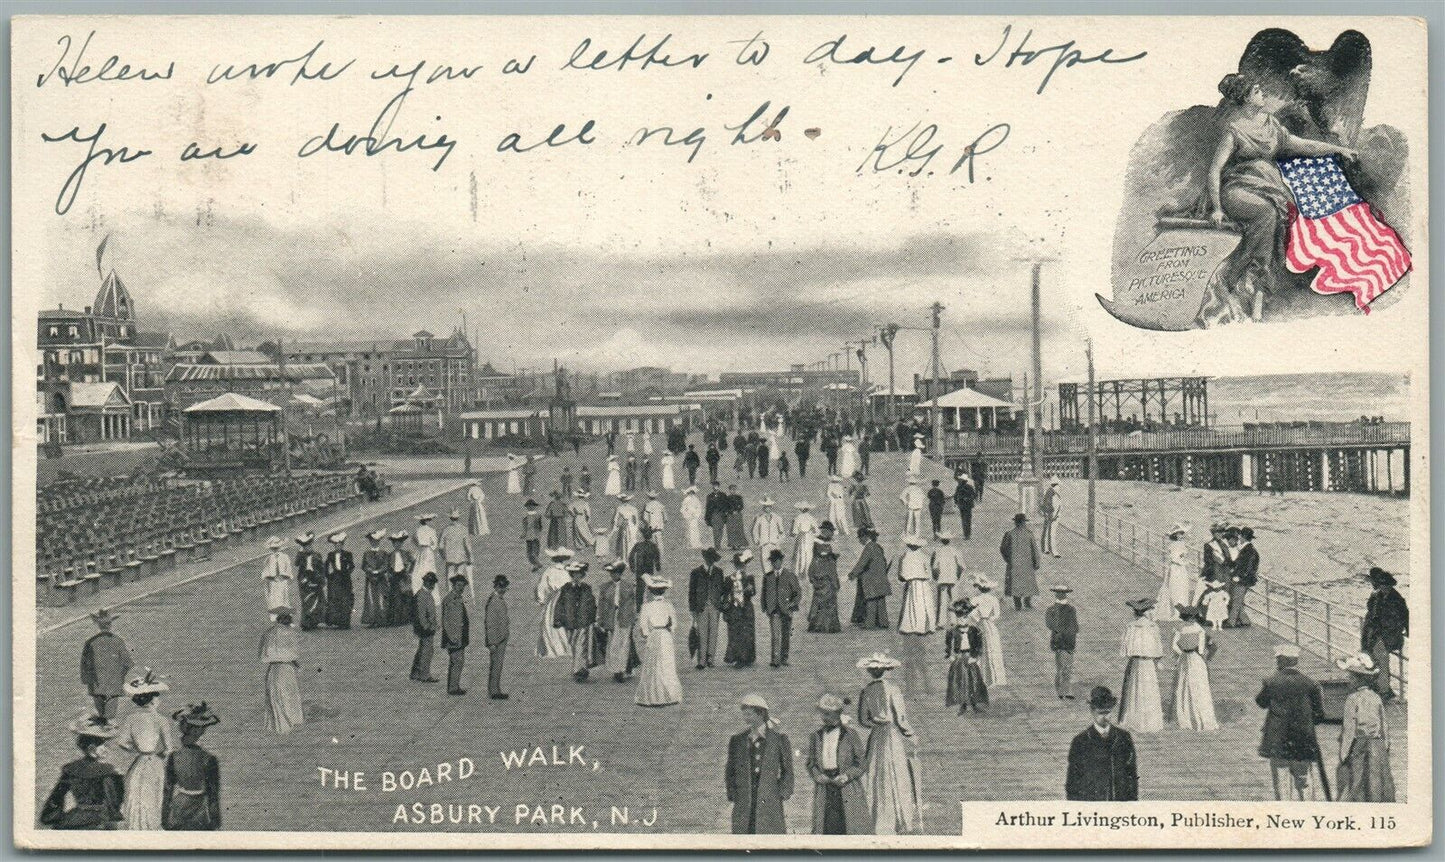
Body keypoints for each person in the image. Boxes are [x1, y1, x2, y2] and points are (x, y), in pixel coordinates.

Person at [1197, 72, 1359, 326]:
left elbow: (1302, 145)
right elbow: (1215, 169)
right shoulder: (1234, 130)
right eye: (1257, 90)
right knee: (1267, 214)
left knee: (1272, 223)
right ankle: (1235, 277)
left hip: (1270, 190)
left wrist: (1339, 149)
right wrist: (1216, 207)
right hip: (1238, 192)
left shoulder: (1270, 125)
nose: (1262, 93)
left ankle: (1251, 288)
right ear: (1245, 98)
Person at [856, 653, 923, 835]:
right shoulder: (893, 690)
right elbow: (901, 719)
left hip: (876, 737)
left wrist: (877, 724)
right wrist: (911, 734)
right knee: (896, 773)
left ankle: (877, 820)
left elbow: (863, 720)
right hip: (892, 735)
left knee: (876, 774)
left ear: (870, 672)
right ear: (887, 670)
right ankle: (899, 821)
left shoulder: (867, 691)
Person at [1256, 642, 1325, 800]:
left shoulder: (1271, 681)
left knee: (1281, 781)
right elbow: (1319, 714)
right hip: (1303, 739)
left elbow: (1261, 702)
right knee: (1305, 779)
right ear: (1296, 661)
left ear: (1280, 661)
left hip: (1277, 739)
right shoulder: (1311, 683)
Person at [115, 670, 178, 829]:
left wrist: (137, 751)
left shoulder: (130, 719)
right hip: (154, 763)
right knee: (153, 797)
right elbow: (168, 748)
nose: (158, 700)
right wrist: (158, 755)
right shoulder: (161, 720)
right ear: (152, 699)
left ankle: (138, 827)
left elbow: (122, 742)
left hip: (140, 762)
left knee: (137, 797)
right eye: (157, 696)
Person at [42, 711, 126, 829]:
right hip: (100, 820)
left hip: (76, 816)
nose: (107, 749)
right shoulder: (109, 771)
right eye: (104, 745)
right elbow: (114, 802)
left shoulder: (70, 769)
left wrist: (54, 816)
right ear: (92, 749)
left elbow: (56, 798)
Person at [725, 694, 794, 834]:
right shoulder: (737, 740)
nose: (745, 718)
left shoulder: (779, 739)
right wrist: (733, 792)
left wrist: (782, 793)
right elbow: (730, 770)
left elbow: (788, 770)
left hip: (770, 799)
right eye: (744, 714)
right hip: (744, 798)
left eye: (749, 714)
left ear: (761, 713)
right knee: (745, 833)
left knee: (769, 836)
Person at [1334, 652, 1395, 802]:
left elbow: (1349, 728)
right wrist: (1385, 745)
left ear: (1358, 679)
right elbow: (1383, 723)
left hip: (1360, 744)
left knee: (1358, 780)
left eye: (1351, 677)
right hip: (1377, 744)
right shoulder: (1376, 697)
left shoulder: (1352, 699)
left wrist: (1343, 753)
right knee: (1377, 779)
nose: (1348, 680)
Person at [806, 693, 868, 835]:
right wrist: (817, 775)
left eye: (827, 714)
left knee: (849, 827)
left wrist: (847, 776)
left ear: (838, 713)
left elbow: (861, 762)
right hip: (825, 787)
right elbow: (811, 763)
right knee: (826, 827)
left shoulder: (851, 734)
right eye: (822, 714)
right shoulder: (816, 736)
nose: (824, 718)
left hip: (846, 787)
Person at [1065, 687, 1139, 801]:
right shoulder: (1080, 741)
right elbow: (1073, 781)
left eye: (1108, 713)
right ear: (1092, 711)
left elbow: (1131, 775)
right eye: (1100, 713)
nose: (1105, 717)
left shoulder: (1124, 738)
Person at [162, 703, 221, 831]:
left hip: (178, 808)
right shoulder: (210, 759)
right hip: (200, 810)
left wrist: (164, 818)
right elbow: (213, 794)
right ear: (199, 731)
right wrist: (215, 820)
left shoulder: (174, 756)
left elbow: (167, 790)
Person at [1360, 567, 1408, 701]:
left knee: (1380, 656)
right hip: (1378, 633)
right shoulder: (1377, 596)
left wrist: (1408, 631)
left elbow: (1405, 617)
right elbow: (1371, 612)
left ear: (1390, 586)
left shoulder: (1397, 600)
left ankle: (1384, 690)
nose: (1383, 588)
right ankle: (1380, 686)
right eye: (1382, 585)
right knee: (1371, 654)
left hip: (1390, 635)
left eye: (1386, 586)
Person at [1118, 598, 1165, 733]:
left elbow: (1124, 650)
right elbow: (1158, 648)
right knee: (1149, 689)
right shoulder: (1153, 627)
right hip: (1149, 663)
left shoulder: (1131, 626)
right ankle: (1150, 722)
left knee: (1135, 688)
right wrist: (1157, 659)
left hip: (1136, 662)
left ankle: (1134, 720)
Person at [636, 574, 683, 706]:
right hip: (665, 635)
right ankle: (669, 694)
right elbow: (674, 624)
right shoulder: (668, 606)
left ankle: (654, 695)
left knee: (653, 664)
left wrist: (647, 634)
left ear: (650, 591)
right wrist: (669, 631)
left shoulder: (646, 607)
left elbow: (643, 626)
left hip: (654, 635)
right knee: (666, 664)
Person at [1171, 606, 1219, 731]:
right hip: (1195, 658)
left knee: (1184, 685)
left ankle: (1185, 717)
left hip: (1184, 658)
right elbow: (1202, 650)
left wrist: (1182, 653)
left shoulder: (1179, 629)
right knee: (1200, 687)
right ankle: (1202, 718)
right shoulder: (1199, 630)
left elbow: (1174, 646)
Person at [257, 609, 304, 734]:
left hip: (273, 669)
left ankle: (278, 725)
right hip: (286, 669)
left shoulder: (268, 633)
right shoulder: (290, 633)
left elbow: (262, 655)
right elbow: (293, 654)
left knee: (275, 695)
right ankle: (290, 722)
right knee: (288, 695)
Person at [81, 608, 132, 722]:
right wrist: (120, 677)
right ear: (110, 625)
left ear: (98, 625)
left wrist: (89, 681)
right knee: (110, 717)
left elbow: (85, 666)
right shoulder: (118, 641)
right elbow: (127, 663)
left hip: (96, 685)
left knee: (101, 715)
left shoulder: (90, 642)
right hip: (113, 685)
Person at [555, 561, 598, 682]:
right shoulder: (566, 589)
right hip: (569, 621)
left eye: (579, 574)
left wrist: (593, 617)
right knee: (573, 645)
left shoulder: (586, 588)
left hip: (583, 621)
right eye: (574, 574)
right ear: (571, 575)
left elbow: (591, 604)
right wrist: (558, 619)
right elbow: (560, 604)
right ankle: (579, 667)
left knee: (581, 645)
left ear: (582, 575)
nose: (577, 577)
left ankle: (580, 669)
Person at [945, 599, 989, 713]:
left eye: (964, 617)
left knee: (974, 680)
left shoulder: (975, 630)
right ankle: (962, 704)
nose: (962, 620)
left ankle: (974, 703)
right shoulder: (952, 631)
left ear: (968, 617)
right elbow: (948, 644)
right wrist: (950, 655)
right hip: (959, 657)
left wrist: (976, 656)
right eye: (959, 618)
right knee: (960, 681)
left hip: (970, 656)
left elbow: (979, 645)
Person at [687, 548, 727, 669]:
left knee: (713, 632)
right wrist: (692, 608)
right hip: (701, 606)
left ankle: (711, 658)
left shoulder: (719, 572)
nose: (711, 561)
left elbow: (722, 589)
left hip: (715, 606)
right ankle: (701, 660)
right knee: (702, 633)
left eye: (713, 560)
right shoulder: (696, 572)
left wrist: (720, 603)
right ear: (705, 559)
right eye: (709, 559)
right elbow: (691, 592)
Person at [761, 549, 801, 668]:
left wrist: (792, 604)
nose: (775, 564)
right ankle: (775, 659)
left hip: (786, 610)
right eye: (773, 561)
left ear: (781, 561)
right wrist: (765, 607)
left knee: (786, 635)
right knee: (775, 635)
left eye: (777, 561)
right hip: (774, 610)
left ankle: (784, 657)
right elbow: (764, 592)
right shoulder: (768, 577)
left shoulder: (790, 575)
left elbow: (797, 592)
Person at [598, 559, 636, 682]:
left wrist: (632, 618)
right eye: (612, 573)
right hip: (611, 617)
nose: (614, 575)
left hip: (624, 617)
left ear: (621, 574)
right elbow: (602, 605)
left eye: (617, 573)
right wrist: (601, 620)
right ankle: (616, 669)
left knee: (624, 643)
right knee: (613, 644)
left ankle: (622, 669)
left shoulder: (628, 587)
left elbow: (632, 604)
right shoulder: (605, 587)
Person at [848, 525, 891, 629]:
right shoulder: (878, 547)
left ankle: (870, 623)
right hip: (881, 579)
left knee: (871, 601)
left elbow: (861, 564)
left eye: (860, 538)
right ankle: (883, 622)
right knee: (881, 601)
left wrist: (852, 574)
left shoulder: (868, 548)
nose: (859, 541)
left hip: (872, 580)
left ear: (865, 537)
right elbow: (884, 562)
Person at [967, 575, 1007, 687]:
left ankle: (980, 677)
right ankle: (994, 678)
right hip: (990, 626)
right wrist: (989, 620)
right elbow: (996, 615)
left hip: (979, 625)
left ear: (979, 588)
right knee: (992, 648)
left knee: (978, 649)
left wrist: (978, 619)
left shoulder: (975, 599)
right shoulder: (993, 599)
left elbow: (970, 613)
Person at [535, 547, 574, 658]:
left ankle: (554, 649)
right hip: (565, 599)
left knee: (551, 622)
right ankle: (563, 648)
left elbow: (542, 586)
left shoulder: (550, 571)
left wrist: (541, 599)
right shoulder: (568, 571)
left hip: (556, 599)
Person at [723, 551, 758, 668]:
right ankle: (738, 657)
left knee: (747, 632)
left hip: (746, 607)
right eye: (739, 565)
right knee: (736, 632)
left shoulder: (749, 578)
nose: (741, 567)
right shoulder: (729, 579)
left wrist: (748, 589)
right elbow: (725, 594)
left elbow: (753, 593)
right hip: (735, 608)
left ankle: (747, 657)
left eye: (742, 565)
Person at [895, 534, 936, 635]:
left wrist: (904, 579)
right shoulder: (924, 556)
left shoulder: (905, 556)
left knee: (912, 604)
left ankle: (912, 626)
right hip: (924, 583)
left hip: (912, 583)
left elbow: (902, 574)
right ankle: (924, 626)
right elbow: (929, 572)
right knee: (925, 604)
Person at [1000, 513, 1040, 610]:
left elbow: (1003, 548)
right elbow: (1034, 550)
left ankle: (1017, 604)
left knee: (1015, 583)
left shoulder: (1009, 534)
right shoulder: (1029, 534)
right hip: (1027, 563)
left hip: (1014, 564)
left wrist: (1008, 559)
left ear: (1015, 523)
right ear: (1023, 523)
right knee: (1028, 583)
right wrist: (1036, 562)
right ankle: (1027, 602)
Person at [807, 524, 842, 634]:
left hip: (827, 574)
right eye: (831, 531)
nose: (832, 533)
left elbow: (834, 554)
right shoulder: (818, 542)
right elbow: (822, 554)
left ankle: (825, 626)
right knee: (824, 600)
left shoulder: (829, 541)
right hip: (823, 574)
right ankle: (823, 626)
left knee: (826, 600)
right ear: (826, 531)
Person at [1045, 585, 1079, 699]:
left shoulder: (1052, 609)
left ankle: (1064, 691)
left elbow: (1051, 625)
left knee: (1065, 667)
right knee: (1064, 668)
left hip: (1064, 641)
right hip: (1064, 641)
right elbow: (1075, 627)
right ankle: (1063, 692)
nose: (1061, 595)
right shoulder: (1069, 609)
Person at [441, 573, 471, 695]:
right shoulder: (450, 599)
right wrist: (452, 637)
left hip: (460, 636)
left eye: (463, 586)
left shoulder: (458, 598)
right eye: (459, 585)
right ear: (453, 585)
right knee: (456, 661)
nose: (461, 588)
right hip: (453, 637)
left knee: (459, 661)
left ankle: (455, 685)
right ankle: (453, 688)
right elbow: (446, 621)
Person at [1156, 524, 1192, 620]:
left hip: (1182, 569)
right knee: (1175, 588)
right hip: (1176, 568)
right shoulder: (1173, 545)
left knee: (1183, 588)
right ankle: (1175, 611)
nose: (1181, 535)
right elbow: (1173, 558)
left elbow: (1183, 556)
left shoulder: (1182, 544)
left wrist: (1184, 561)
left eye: (1181, 534)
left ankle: (1182, 611)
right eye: (1179, 534)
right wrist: (1182, 561)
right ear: (1175, 535)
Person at [484, 576, 511, 699]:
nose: (503, 589)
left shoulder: (498, 599)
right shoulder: (494, 601)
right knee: (496, 665)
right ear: (495, 586)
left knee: (498, 665)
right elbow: (489, 623)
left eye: (504, 587)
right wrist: (492, 642)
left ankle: (496, 689)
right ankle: (494, 691)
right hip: (496, 640)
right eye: (500, 587)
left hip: (501, 638)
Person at [410, 572, 440, 682]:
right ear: (426, 582)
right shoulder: (422, 595)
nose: (433, 585)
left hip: (427, 627)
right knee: (427, 651)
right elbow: (421, 614)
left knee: (422, 649)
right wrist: (428, 627)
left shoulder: (425, 593)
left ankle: (415, 672)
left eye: (433, 583)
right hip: (425, 628)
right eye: (431, 583)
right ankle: (424, 674)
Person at [930, 532, 963, 629]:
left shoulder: (938, 551)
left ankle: (941, 622)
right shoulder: (955, 551)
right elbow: (962, 566)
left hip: (942, 578)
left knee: (942, 601)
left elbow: (934, 566)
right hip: (953, 578)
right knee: (954, 600)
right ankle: (955, 621)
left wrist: (936, 576)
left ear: (941, 540)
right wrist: (958, 575)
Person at [1227, 526, 1258, 627]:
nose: (1239, 538)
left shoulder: (1249, 550)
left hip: (1243, 580)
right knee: (1238, 599)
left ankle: (1231, 622)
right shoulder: (1248, 549)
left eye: (1240, 536)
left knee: (1236, 600)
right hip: (1244, 579)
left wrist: (1238, 577)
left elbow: (1247, 568)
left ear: (1243, 537)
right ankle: (1245, 620)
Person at [260, 536, 297, 620]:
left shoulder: (285, 557)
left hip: (282, 580)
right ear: (271, 549)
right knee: (274, 597)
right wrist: (270, 578)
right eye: (273, 548)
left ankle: (285, 615)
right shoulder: (269, 559)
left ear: (280, 547)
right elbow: (266, 571)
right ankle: (275, 615)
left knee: (284, 597)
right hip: (273, 581)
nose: (275, 550)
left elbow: (288, 568)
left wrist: (286, 577)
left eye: (277, 548)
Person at [323, 532, 354, 629]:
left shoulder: (347, 554)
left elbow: (352, 566)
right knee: (335, 598)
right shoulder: (330, 555)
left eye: (339, 545)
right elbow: (326, 566)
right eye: (336, 545)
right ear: (334, 546)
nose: (338, 547)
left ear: (342, 545)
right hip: (335, 579)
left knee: (345, 599)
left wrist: (347, 573)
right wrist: (328, 576)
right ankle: (336, 620)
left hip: (344, 579)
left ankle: (345, 621)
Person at [294, 532, 325, 631]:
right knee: (306, 601)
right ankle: (306, 622)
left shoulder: (317, 555)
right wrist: (300, 550)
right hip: (304, 580)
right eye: (305, 547)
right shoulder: (302, 556)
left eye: (309, 546)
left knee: (317, 600)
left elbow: (321, 568)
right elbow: (296, 563)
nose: (308, 548)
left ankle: (314, 621)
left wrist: (321, 579)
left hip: (315, 578)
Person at [360, 530, 390, 627]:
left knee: (382, 598)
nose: (374, 543)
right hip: (370, 579)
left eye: (376, 541)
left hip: (381, 579)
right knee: (372, 599)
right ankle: (372, 620)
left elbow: (386, 565)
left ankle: (382, 619)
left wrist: (379, 571)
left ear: (379, 542)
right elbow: (364, 565)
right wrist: (370, 570)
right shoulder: (367, 553)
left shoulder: (383, 553)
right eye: (372, 541)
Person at [628, 525, 662, 610]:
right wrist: (658, 567)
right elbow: (657, 557)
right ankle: (650, 606)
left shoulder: (638, 545)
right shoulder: (653, 546)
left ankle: (639, 608)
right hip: (649, 569)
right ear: (651, 536)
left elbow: (631, 557)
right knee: (650, 587)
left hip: (640, 570)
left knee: (640, 589)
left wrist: (632, 567)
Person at [1198, 523, 1233, 604]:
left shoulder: (1224, 545)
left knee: (1225, 594)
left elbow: (1229, 558)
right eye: (1218, 532)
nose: (1220, 534)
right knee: (1213, 594)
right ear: (1213, 534)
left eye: (1221, 532)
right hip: (1215, 572)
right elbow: (1207, 560)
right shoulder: (1209, 545)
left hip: (1225, 573)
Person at [386, 531, 415, 627]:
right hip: (394, 577)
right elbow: (387, 567)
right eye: (395, 543)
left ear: (401, 544)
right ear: (393, 544)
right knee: (395, 598)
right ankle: (396, 619)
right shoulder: (390, 555)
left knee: (406, 597)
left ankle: (407, 618)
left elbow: (413, 562)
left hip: (404, 576)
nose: (397, 545)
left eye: (399, 543)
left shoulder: (406, 553)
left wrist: (409, 571)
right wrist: (389, 574)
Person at [751, 496, 786, 563]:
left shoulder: (777, 518)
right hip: (764, 544)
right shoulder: (759, 518)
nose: (767, 508)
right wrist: (757, 540)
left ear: (771, 507)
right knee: (765, 564)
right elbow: (754, 530)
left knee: (776, 564)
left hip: (775, 544)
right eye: (766, 506)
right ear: (763, 507)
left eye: (769, 506)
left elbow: (782, 531)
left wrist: (779, 540)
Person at [790, 500, 819, 578]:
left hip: (801, 537)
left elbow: (794, 532)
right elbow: (817, 531)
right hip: (809, 537)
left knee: (800, 554)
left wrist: (791, 532)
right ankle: (808, 573)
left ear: (801, 509)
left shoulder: (797, 518)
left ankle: (800, 572)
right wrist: (812, 533)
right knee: (809, 554)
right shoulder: (812, 518)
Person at [414, 514, 440, 596]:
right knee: (429, 569)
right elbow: (435, 544)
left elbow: (414, 540)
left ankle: (420, 591)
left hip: (421, 551)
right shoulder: (431, 530)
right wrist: (431, 547)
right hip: (428, 551)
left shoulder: (418, 530)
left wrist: (419, 546)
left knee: (420, 570)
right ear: (427, 521)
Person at [610, 493, 642, 561]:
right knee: (630, 541)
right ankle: (629, 558)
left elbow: (615, 519)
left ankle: (626, 558)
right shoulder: (632, 508)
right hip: (630, 526)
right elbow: (637, 521)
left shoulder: (620, 508)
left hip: (626, 525)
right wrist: (636, 528)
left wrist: (615, 527)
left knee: (624, 541)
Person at [642, 492, 667, 562]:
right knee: (660, 543)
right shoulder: (660, 505)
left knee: (652, 543)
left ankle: (652, 558)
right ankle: (661, 558)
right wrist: (661, 523)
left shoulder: (648, 505)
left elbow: (645, 518)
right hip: (659, 527)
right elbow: (665, 518)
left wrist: (647, 524)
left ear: (649, 497)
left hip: (651, 528)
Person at [1040, 478, 1062, 557]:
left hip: (1048, 515)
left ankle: (1045, 548)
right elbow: (1055, 507)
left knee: (1046, 532)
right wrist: (1054, 516)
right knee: (1052, 533)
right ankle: (1054, 551)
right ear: (1056, 486)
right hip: (1053, 516)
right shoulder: (1053, 494)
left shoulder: (1048, 492)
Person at [704, 482, 730, 550]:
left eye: (716, 486)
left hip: (721, 514)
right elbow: (707, 507)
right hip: (713, 515)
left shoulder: (723, 495)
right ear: (712, 487)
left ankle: (719, 544)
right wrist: (707, 517)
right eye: (714, 486)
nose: (715, 487)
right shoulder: (709, 496)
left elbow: (727, 505)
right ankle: (717, 545)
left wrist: (726, 512)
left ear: (718, 486)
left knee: (720, 529)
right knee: (715, 530)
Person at [520, 499, 544, 570]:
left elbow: (539, 526)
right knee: (531, 553)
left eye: (531, 506)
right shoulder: (534, 516)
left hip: (532, 536)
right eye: (529, 506)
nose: (530, 507)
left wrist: (524, 534)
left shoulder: (532, 516)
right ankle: (536, 564)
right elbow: (539, 526)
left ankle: (537, 564)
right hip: (532, 536)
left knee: (532, 552)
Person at [724, 484, 748, 550]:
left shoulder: (739, 497)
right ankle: (733, 544)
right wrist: (731, 512)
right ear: (729, 490)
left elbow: (742, 506)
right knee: (731, 529)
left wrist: (737, 510)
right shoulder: (727, 498)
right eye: (731, 489)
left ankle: (739, 544)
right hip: (730, 516)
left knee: (739, 528)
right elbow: (725, 507)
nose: (733, 491)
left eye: (734, 489)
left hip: (738, 515)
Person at [952, 473, 975, 540]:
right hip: (967, 506)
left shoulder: (959, 487)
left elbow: (955, 496)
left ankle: (966, 534)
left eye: (961, 480)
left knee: (964, 520)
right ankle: (967, 534)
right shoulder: (969, 487)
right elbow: (973, 495)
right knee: (967, 520)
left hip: (962, 506)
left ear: (962, 480)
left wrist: (956, 502)